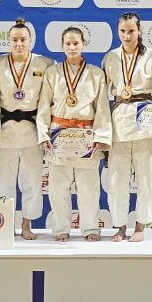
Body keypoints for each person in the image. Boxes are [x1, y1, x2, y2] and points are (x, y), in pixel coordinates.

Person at [102, 12, 152, 242]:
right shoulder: (110, 57)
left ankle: (141, 226)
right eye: (122, 31)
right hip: (118, 122)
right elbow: (101, 96)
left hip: (146, 121)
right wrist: (101, 129)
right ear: (117, 32)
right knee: (117, 179)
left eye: (131, 31)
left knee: (146, 177)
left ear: (139, 31)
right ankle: (119, 226)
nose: (127, 35)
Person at [36, 27, 112, 242]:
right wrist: (43, 135)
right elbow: (44, 106)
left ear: (83, 45)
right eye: (67, 44)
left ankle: (90, 228)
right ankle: (61, 228)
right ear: (62, 46)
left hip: (85, 137)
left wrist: (101, 137)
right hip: (58, 137)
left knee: (89, 189)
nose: (71, 47)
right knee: (58, 189)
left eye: (76, 43)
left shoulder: (96, 74)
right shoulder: (52, 72)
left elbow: (102, 108)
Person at [0, 18, 54, 240]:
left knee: (32, 181)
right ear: (8, 41)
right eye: (15, 40)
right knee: (4, 182)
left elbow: (49, 100)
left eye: (23, 40)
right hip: (5, 131)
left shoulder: (44, 64)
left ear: (30, 41)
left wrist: (47, 130)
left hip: (32, 131)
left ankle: (27, 225)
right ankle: (5, 225)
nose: (19, 44)